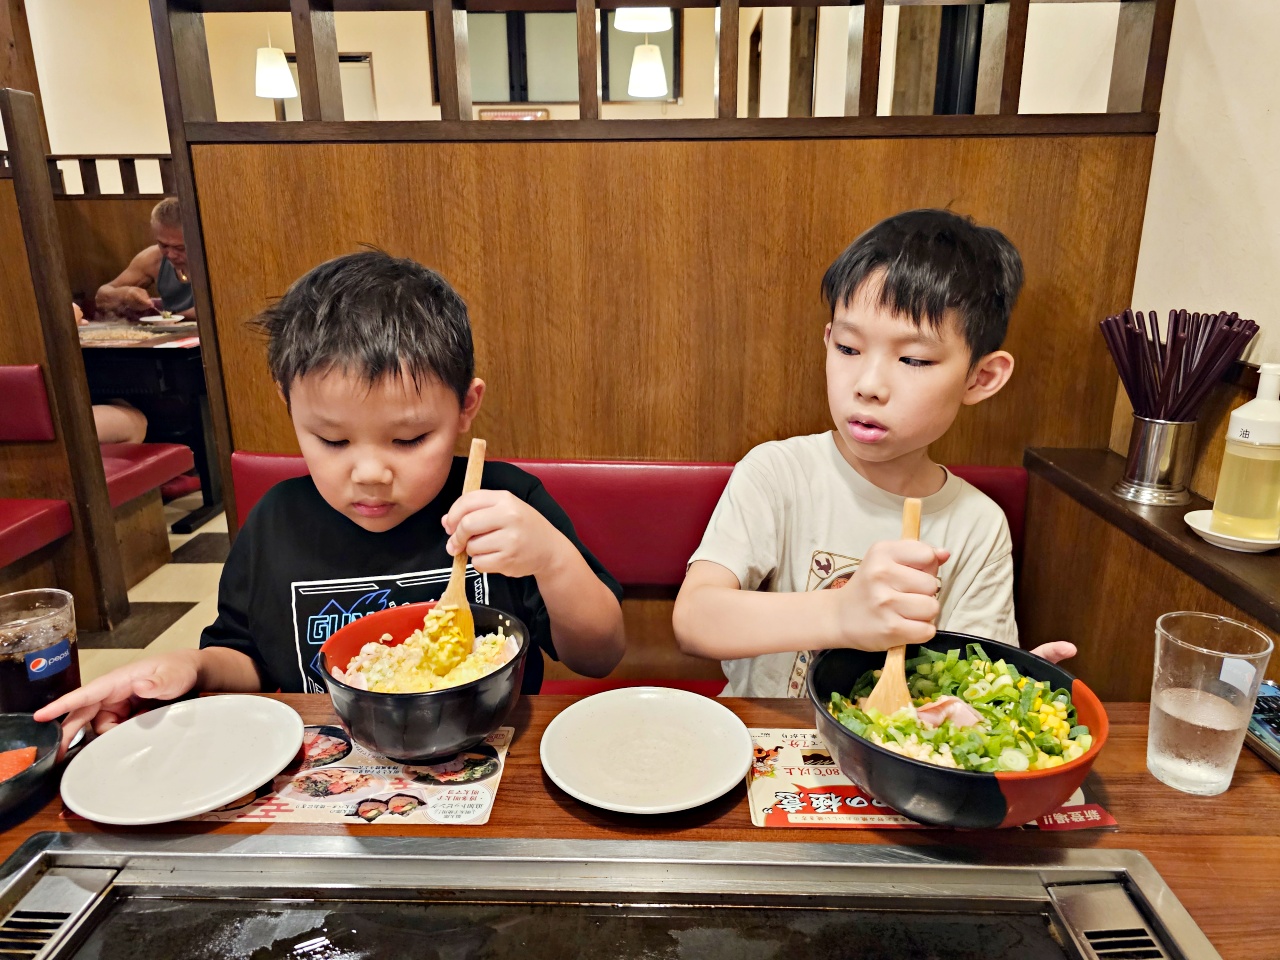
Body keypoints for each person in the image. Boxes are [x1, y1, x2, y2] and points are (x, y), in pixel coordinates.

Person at [39, 251, 626, 749]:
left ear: (465, 408)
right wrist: (189, 668)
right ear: (287, 403)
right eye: (332, 439)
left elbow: (599, 654)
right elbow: (245, 660)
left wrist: (552, 559)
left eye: (409, 439)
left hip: (493, 769)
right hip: (325, 782)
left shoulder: (507, 505)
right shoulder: (277, 522)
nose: (369, 473)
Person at [672, 209, 1075, 697]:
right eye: (847, 348)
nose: (868, 385)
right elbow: (695, 619)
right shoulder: (779, 473)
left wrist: (1004, 695)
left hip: (896, 764)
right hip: (767, 750)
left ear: (981, 377)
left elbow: (966, 684)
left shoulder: (976, 524)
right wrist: (841, 614)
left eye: (914, 359)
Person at [94, 197, 194, 319]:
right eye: (163, 245)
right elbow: (101, 297)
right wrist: (125, 294)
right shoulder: (152, 258)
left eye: (180, 248)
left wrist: (174, 318)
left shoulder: (215, 259)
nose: (171, 254)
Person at [73, 302, 148, 444]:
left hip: (30, 415)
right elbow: (70, 312)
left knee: (119, 402)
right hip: (49, 421)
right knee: (137, 423)